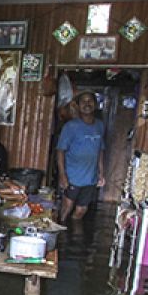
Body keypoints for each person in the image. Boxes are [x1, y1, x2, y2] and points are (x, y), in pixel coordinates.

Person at [56, 91, 106, 220]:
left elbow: (100, 150)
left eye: (90, 101)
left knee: (81, 210)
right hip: (73, 175)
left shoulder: (100, 125)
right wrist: (62, 175)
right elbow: (60, 151)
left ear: (95, 105)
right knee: (67, 207)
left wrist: (101, 173)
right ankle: (59, 233)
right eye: (83, 101)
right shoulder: (71, 127)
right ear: (78, 106)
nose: (87, 104)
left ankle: (70, 238)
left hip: (90, 177)